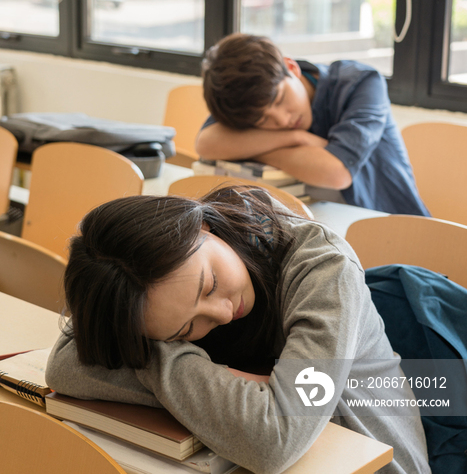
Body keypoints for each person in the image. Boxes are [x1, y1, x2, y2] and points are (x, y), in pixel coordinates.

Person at [46, 188, 431, 474]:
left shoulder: (324, 269)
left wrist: (153, 356)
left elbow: (275, 438)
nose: (224, 312)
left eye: (210, 284)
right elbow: (64, 366)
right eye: (185, 329)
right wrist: (170, 358)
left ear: (203, 226)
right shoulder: (143, 287)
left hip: (370, 457)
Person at [196, 33, 429, 215]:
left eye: (280, 99)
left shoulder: (361, 83)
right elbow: (206, 143)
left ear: (291, 67)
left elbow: (337, 173)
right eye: (262, 120)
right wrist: (296, 139)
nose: (282, 120)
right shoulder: (245, 102)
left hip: (395, 229)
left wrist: (256, 148)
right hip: (325, 224)